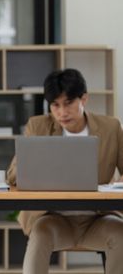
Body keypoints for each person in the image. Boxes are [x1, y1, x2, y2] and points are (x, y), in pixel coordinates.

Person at [7, 68, 123, 274]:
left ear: (83, 99)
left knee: (120, 233)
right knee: (40, 233)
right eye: (55, 105)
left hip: (98, 219)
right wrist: (34, 163)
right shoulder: (37, 126)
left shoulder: (111, 128)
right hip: (54, 219)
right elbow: (12, 175)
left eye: (68, 103)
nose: (62, 112)